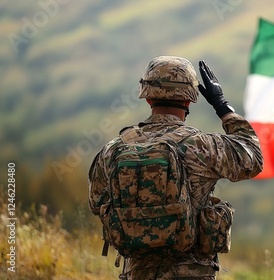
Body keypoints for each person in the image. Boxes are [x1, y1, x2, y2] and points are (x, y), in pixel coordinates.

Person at [88, 56, 263, 279]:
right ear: (189, 99)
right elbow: (253, 157)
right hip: (192, 272)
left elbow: (97, 203)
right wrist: (222, 106)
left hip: (136, 272)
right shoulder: (202, 145)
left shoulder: (115, 149)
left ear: (148, 97)